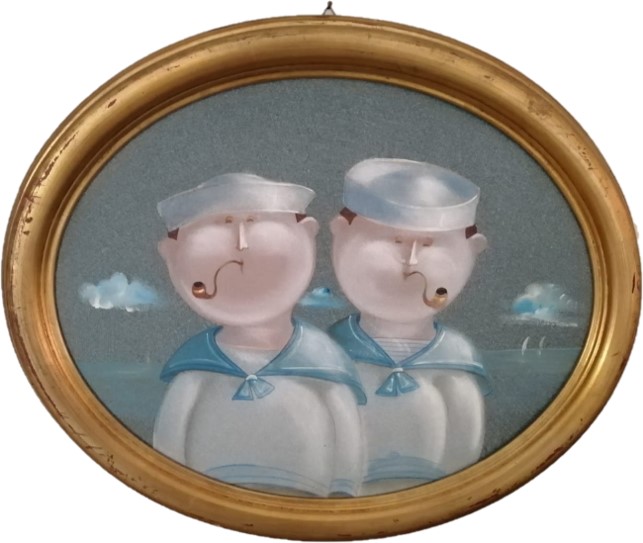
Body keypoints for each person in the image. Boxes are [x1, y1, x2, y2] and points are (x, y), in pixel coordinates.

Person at [153, 173, 366, 497]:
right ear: (172, 255)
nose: (242, 244)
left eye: (254, 223)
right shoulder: (196, 366)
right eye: (223, 224)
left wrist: (343, 488)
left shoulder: (324, 360)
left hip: (307, 497)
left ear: (307, 236)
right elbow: (171, 436)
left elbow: (345, 426)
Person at [328, 158, 490, 495]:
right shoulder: (328, 354)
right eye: (394, 240)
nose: (411, 260)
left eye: (428, 244)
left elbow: (465, 449)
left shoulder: (455, 362)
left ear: (472, 252)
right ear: (340, 235)